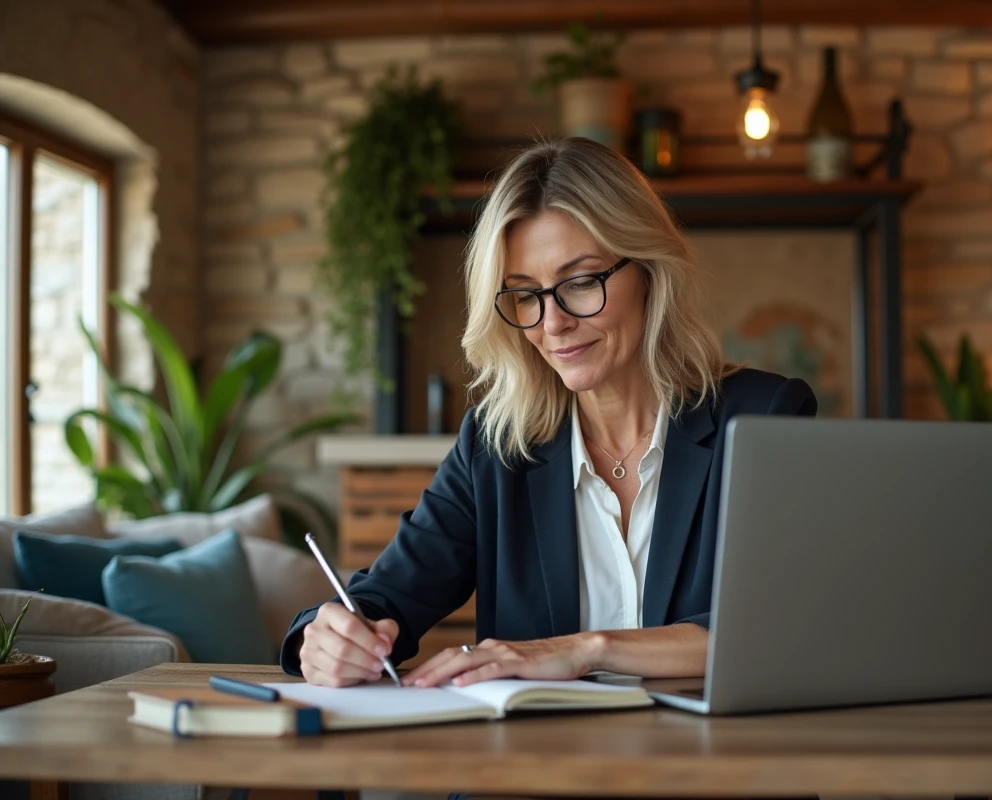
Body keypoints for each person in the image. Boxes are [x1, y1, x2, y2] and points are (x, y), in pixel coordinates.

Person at [281, 137, 817, 688]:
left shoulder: (764, 420)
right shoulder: (496, 446)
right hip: (543, 746)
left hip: (712, 746)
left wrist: (586, 650)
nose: (553, 323)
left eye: (580, 283)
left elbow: (787, 626)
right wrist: (326, 639)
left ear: (649, 271)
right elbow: (383, 598)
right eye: (525, 295)